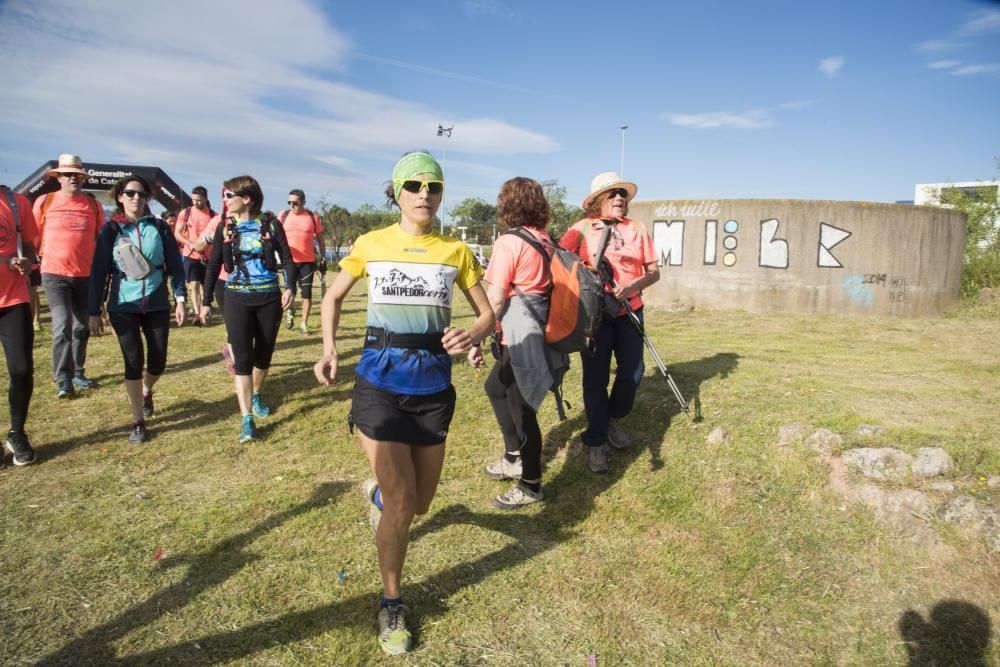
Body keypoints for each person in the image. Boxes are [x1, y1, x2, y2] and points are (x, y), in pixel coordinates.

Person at [313, 151, 493, 655]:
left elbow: (488, 312)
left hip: (433, 388)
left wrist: (472, 332)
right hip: (379, 383)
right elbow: (332, 298)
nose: (424, 194)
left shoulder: (455, 251)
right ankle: (392, 600)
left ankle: (379, 495)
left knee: (420, 503)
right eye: (413, 186)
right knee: (403, 502)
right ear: (397, 192)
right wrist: (329, 349)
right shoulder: (371, 244)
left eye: (433, 186)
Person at [470, 177, 567, 509]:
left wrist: (474, 338)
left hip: (521, 333)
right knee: (496, 387)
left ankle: (531, 483)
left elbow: (495, 300)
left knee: (522, 409)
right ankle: (514, 457)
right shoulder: (544, 238)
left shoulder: (509, 242)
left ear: (506, 203)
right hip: (539, 328)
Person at [559, 171, 659, 473]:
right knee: (595, 378)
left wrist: (632, 286)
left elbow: (654, 272)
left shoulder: (637, 229)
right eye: (612, 194)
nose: (619, 198)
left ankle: (612, 417)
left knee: (633, 373)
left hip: (630, 310)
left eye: (622, 194)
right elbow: (559, 261)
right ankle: (597, 439)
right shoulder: (581, 228)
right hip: (596, 314)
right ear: (597, 201)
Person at [88, 176, 187, 443]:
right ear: (120, 196)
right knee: (133, 361)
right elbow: (99, 272)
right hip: (123, 304)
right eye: (130, 193)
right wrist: (94, 310)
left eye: (142, 194)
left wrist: (180, 297)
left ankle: (147, 389)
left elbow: (176, 265)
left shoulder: (159, 227)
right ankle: (137, 421)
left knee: (158, 361)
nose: (136, 198)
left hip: (156, 301)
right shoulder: (111, 230)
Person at [201, 176, 293, 442]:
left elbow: (287, 259)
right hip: (236, 298)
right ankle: (247, 420)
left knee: (263, 355)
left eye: (230, 195)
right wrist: (206, 302)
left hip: (268, 297)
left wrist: (289, 288)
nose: (226, 201)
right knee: (243, 360)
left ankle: (256, 394)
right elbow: (213, 263)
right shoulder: (224, 227)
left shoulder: (271, 225)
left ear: (247, 198)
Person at [32, 153, 106, 398]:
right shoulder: (46, 201)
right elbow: (33, 235)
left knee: (80, 327)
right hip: (54, 274)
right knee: (62, 325)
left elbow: (101, 239)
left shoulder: (92, 204)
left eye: (77, 175)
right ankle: (63, 379)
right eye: (68, 175)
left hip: (85, 275)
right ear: (59, 178)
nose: (73, 178)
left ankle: (78, 371)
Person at [0, 185, 41, 465]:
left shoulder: (16, 202)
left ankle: (17, 433)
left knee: (21, 368)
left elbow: (29, 243)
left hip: (14, 298)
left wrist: (27, 261)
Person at [278, 189, 326, 335]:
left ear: (303, 202)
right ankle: (291, 310)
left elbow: (320, 239)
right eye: (289, 202)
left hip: (308, 261)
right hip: (289, 261)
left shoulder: (312, 217)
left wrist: (323, 257)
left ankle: (304, 323)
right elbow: (274, 235)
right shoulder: (283, 216)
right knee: (290, 292)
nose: (292, 206)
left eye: (295, 203)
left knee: (307, 294)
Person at [174, 186, 215, 325]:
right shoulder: (185, 213)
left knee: (206, 286)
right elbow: (177, 233)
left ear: (205, 199)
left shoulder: (213, 215)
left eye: (198, 200)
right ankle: (197, 314)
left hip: (208, 257)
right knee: (194, 285)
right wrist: (189, 243)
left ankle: (205, 311)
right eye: (193, 200)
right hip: (190, 255)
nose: (195, 202)